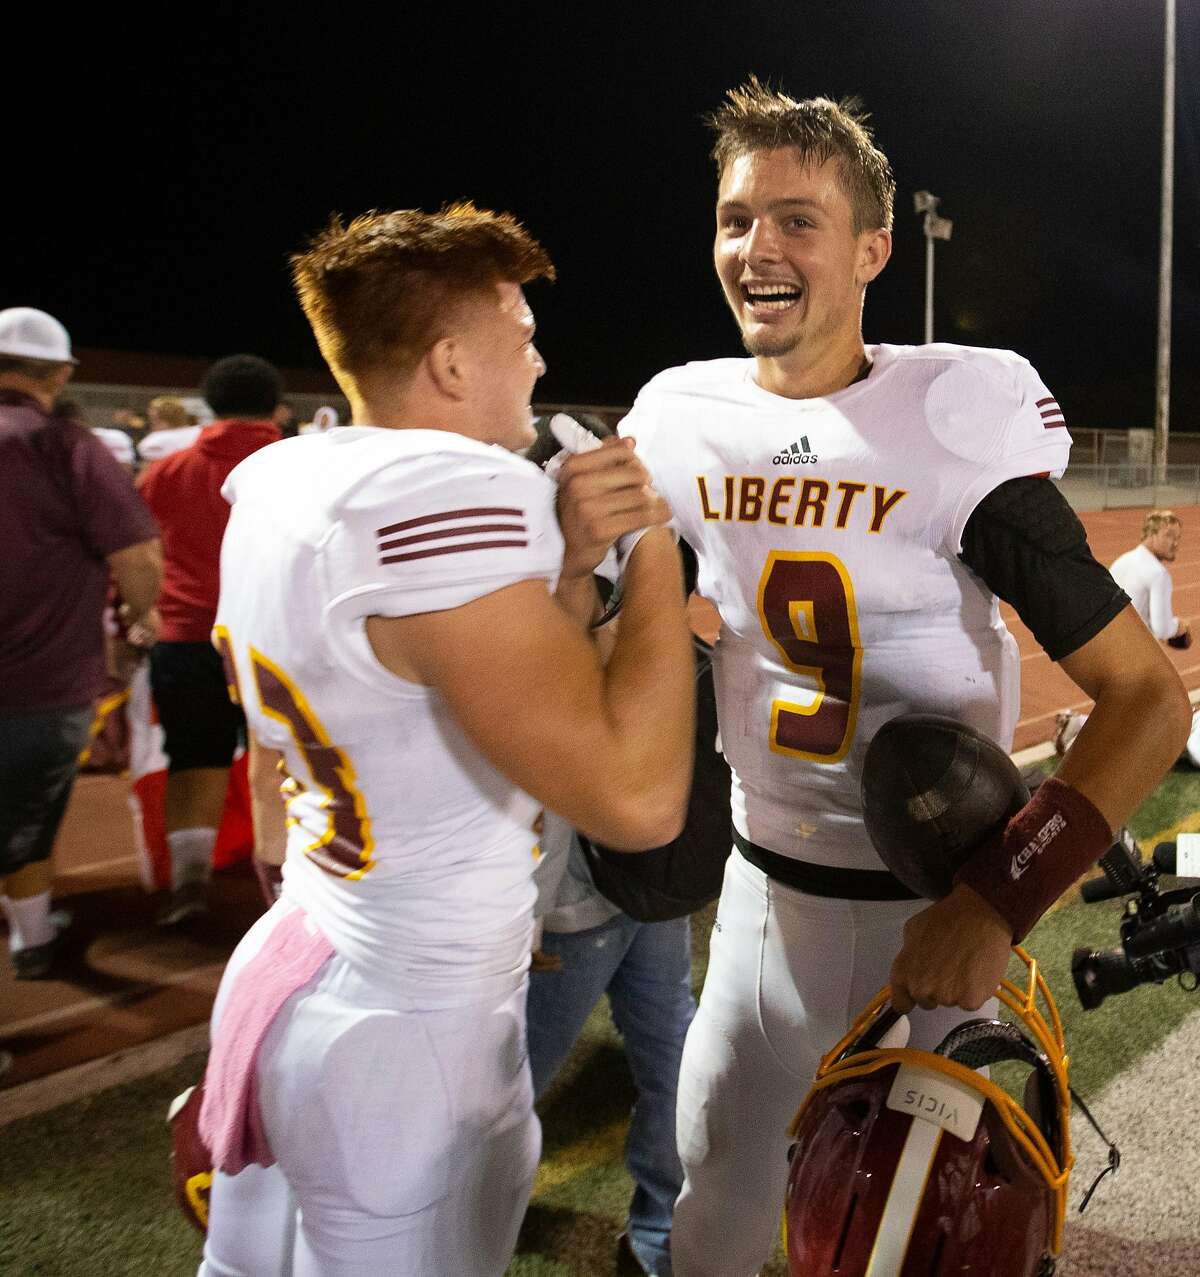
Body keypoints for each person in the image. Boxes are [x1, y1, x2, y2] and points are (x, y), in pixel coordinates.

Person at [617, 81, 1192, 1276]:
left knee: (927, 1244)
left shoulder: (948, 418)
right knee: (712, 1200)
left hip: (931, 914)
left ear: (876, 248)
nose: (757, 247)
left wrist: (994, 905)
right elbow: (655, 623)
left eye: (796, 219)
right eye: (735, 219)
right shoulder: (679, 415)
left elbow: (1148, 696)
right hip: (760, 904)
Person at [195, 204, 694, 1277]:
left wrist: (566, 575)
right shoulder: (452, 494)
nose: (539, 357)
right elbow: (639, 799)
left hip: (308, 960)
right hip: (405, 1033)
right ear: (452, 361)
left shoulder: (286, 475)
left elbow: (456, 679)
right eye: (521, 336)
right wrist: (655, 553)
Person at [0, 307, 161, 978]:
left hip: (40, 676)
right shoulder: (66, 443)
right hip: (43, 677)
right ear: (61, 372)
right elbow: (140, 556)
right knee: (28, 815)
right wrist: (138, 619)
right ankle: (31, 937)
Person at [138, 355, 283, 925]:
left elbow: (137, 557)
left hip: (186, 635)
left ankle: (190, 885)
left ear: (210, 406)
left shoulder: (165, 472)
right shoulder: (300, 467)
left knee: (194, 760)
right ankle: (286, 889)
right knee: (289, 759)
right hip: (277, 638)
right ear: (276, 408)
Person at [1109, 510, 1191, 647]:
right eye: (1169, 536)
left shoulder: (1121, 561)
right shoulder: (1158, 574)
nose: (1175, 543)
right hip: (1134, 651)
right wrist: (1179, 626)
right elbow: (1162, 629)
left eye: (1178, 538)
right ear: (1152, 535)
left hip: (1108, 647)